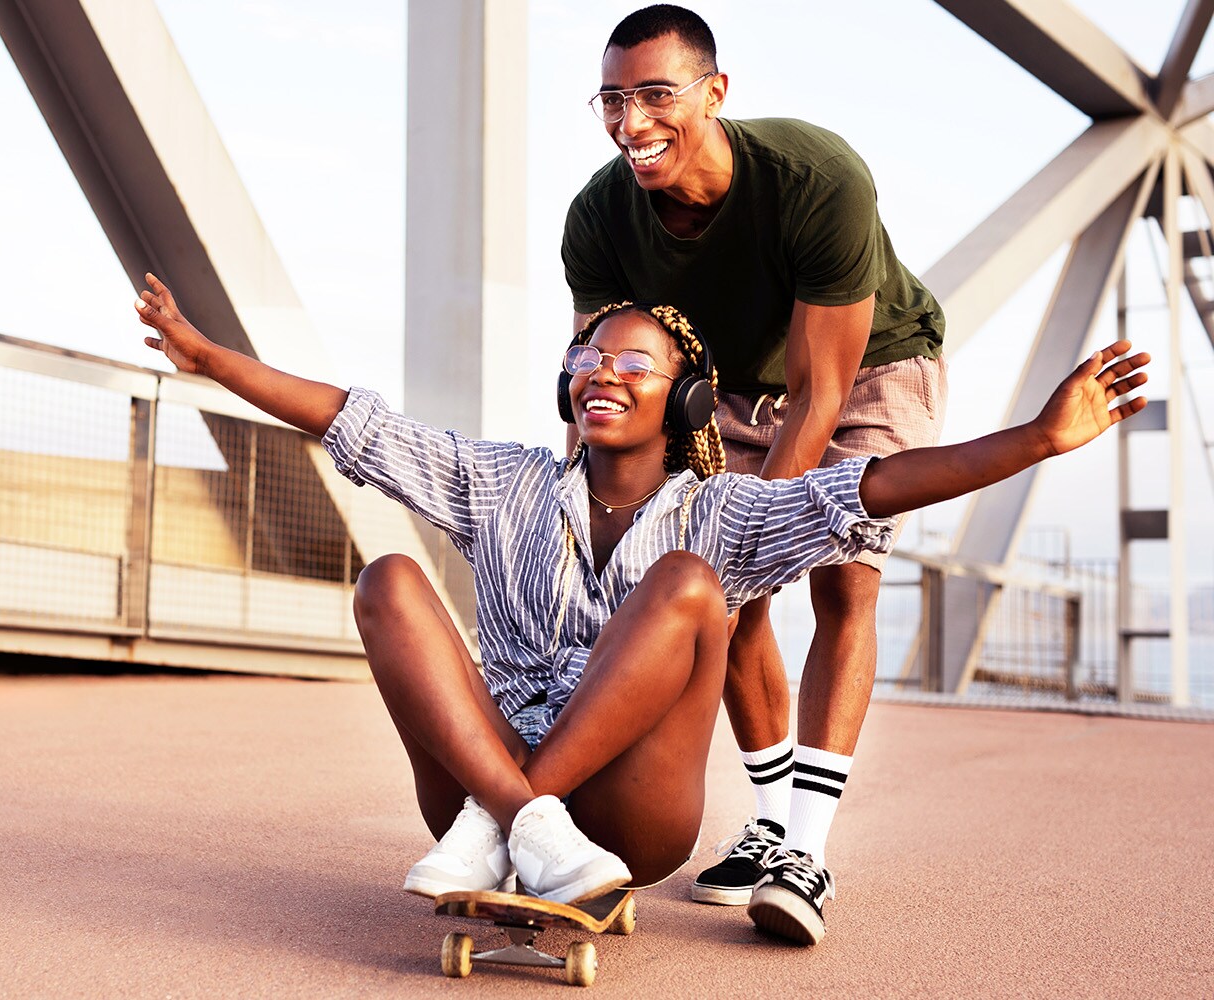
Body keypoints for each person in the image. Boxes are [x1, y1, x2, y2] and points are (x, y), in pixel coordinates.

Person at [133, 274, 1145, 940]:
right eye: (585, 358)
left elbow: (870, 487)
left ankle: (508, 822)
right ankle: (524, 822)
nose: (598, 372)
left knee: (690, 584)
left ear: (691, 398)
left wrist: (1038, 441)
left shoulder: (727, 511)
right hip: (480, 774)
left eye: (630, 362)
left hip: (632, 813)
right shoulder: (501, 481)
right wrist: (210, 356)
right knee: (389, 580)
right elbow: (358, 422)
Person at [560, 5, 947, 940]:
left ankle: (804, 852)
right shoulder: (600, 216)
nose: (632, 121)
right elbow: (593, 378)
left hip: (866, 372)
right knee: (714, 606)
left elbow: (820, 394)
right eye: (612, 100)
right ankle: (770, 821)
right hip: (721, 388)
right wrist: (574, 525)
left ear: (716, 93)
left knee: (842, 585)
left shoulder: (817, 179)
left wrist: (751, 546)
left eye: (657, 94)